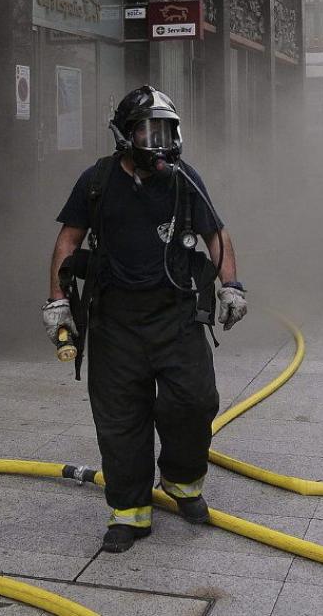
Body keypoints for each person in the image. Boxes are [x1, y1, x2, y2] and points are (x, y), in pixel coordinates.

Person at [42, 85, 247, 553]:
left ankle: (181, 482)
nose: (159, 141)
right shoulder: (96, 180)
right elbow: (67, 243)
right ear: (124, 135)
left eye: (166, 130)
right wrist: (56, 301)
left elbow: (216, 235)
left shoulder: (184, 179)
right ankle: (129, 513)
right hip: (115, 321)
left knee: (194, 403)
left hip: (177, 316)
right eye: (147, 130)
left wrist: (231, 286)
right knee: (120, 420)